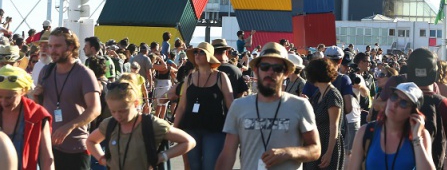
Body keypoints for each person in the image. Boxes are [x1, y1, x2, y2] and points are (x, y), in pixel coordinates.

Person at [216, 42, 320, 170]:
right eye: (265, 66)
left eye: (277, 68)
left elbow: (315, 149)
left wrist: (288, 153)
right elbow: (227, 154)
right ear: (256, 70)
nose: (270, 72)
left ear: (286, 73)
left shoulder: (300, 105)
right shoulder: (239, 106)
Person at [31, 27, 101, 170]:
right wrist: (36, 97)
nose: (52, 50)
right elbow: (41, 108)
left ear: (70, 46)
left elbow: (95, 109)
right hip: (49, 148)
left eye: (57, 46)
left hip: (76, 149)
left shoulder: (84, 74)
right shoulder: (46, 71)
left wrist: (69, 126)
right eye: (50, 46)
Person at [86, 80, 195, 170]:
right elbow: (91, 141)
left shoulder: (151, 124)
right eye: (113, 111)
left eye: (123, 111)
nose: (118, 116)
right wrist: (102, 159)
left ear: (136, 103)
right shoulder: (109, 124)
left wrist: (162, 156)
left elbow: (189, 141)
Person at [172, 42, 233, 170]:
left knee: (210, 166)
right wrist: (174, 129)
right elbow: (182, 106)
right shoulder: (189, 78)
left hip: (214, 130)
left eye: (201, 52)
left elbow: (230, 105)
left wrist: (234, 131)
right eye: (195, 52)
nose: (197, 55)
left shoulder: (221, 77)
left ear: (209, 56)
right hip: (191, 128)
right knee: (193, 166)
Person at [347, 82, 434, 170]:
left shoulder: (421, 136)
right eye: (394, 97)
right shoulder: (366, 131)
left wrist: (416, 139)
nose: (395, 104)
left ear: (412, 113)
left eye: (403, 103)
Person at [0, 65, 54, 170]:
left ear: (23, 91)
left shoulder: (37, 115)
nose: (4, 102)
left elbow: (46, 158)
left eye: (9, 97)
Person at [304, 58, 344, 170]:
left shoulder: (332, 95)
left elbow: (334, 126)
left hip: (328, 144)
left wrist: (329, 153)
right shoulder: (318, 93)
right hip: (318, 142)